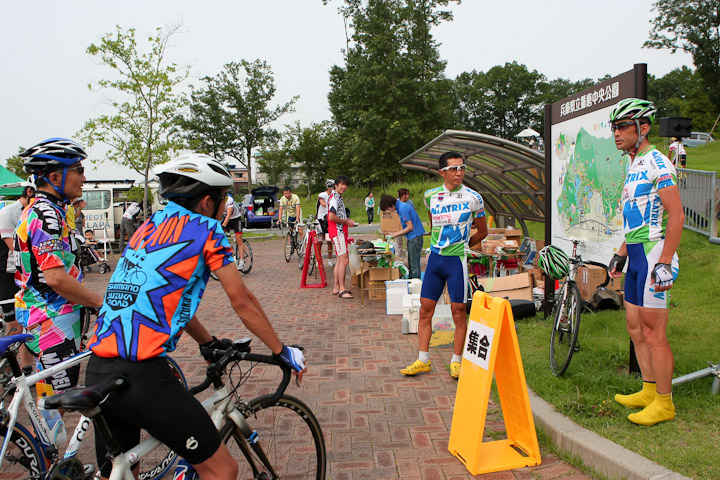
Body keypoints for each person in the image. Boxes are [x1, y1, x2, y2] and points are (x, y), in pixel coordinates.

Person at [86, 153, 307, 480]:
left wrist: (208, 342)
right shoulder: (206, 229)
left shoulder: (147, 228)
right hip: (142, 376)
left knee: (120, 472)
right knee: (222, 470)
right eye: (224, 200)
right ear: (207, 202)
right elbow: (242, 300)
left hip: (98, 368)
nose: (226, 207)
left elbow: (164, 298)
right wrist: (282, 351)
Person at [607, 98, 684, 426]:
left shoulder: (658, 163)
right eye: (614, 127)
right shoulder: (634, 165)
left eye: (623, 126)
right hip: (636, 256)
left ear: (644, 127)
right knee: (635, 328)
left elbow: (677, 214)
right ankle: (649, 390)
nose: (616, 133)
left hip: (655, 257)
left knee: (654, 333)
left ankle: (664, 403)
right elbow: (636, 220)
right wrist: (620, 254)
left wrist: (665, 260)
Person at [14, 138, 104, 391]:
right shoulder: (47, 215)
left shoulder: (45, 209)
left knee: (52, 394)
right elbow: (55, 278)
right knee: (57, 401)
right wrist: (98, 302)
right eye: (79, 170)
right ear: (54, 178)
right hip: (52, 315)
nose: (84, 178)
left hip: (46, 311)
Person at [401, 151, 487, 379]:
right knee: (424, 310)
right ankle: (423, 360)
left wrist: (465, 246)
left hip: (456, 262)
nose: (459, 173)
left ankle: (457, 361)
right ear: (442, 172)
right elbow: (433, 222)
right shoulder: (430, 196)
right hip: (435, 260)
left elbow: (484, 230)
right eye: (454, 169)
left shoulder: (474, 197)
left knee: (458, 313)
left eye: (462, 168)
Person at [0, 185, 35, 372]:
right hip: (6, 274)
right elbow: (15, 248)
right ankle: (7, 372)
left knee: (26, 322)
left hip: (23, 274)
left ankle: (27, 369)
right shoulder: (8, 213)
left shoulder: (33, 211)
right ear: (29, 192)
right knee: (13, 324)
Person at [379, 193, 426, 279]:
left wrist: (396, 234)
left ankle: (415, 284)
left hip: (415, 237)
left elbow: (410, 227)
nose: (389, 211)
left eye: (388, 209)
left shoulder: (402, 208)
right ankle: (412, 280)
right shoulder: (400, 207)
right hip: (412, 237)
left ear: (391, 205)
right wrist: (395, 233)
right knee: (411, 262)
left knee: (414, 264)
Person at [328, 175, 358, 299]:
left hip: (340, 231)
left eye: (346, 185)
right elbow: (331, 217)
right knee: (344, 260)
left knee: (340, 260)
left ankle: (336, 287)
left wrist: (347, 221)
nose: (344, 187)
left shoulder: (338, 197)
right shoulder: (335, 197)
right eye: (342, 184)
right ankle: (341, 289)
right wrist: (346, 222)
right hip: (338, 231)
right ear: (336, 185)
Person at [221, 191, 245, 270]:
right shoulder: (217, 201)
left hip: (235, 219)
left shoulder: (229, 200)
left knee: (239, 239)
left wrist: (223, 225)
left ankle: (241, 261)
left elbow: (228, 215)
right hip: (226, 218)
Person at [317, 179, 335, 267]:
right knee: (320, 240)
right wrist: (332, 206)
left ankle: (330, 260)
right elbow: (322, 203)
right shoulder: (322, 195)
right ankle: (317, 260)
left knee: (329, 240)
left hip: (329, 219)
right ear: (329, 187)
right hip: (320, 219)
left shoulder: (335, 195)